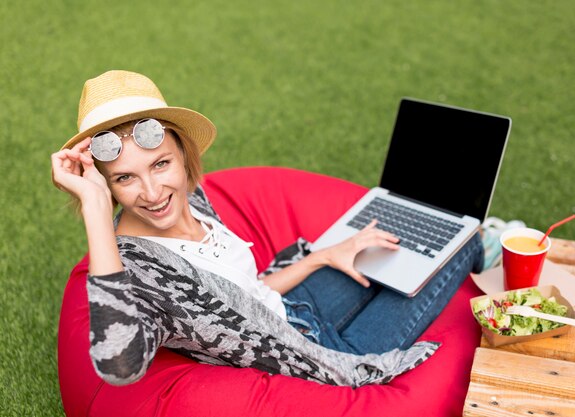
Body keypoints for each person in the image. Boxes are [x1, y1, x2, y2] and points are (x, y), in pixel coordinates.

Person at [51, 70, 484, 387]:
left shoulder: (191, 197)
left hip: (294, 304)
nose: (152, 193)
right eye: (124, 178)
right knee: (466, 244)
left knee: (410, 243)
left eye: (161, 164)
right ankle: (489, 246)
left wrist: (321, 257)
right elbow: (118, 364)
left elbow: (250, 293)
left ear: (182, 155)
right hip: (324, 357)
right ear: (105, 183)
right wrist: (93, 208)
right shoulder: (140, 271)